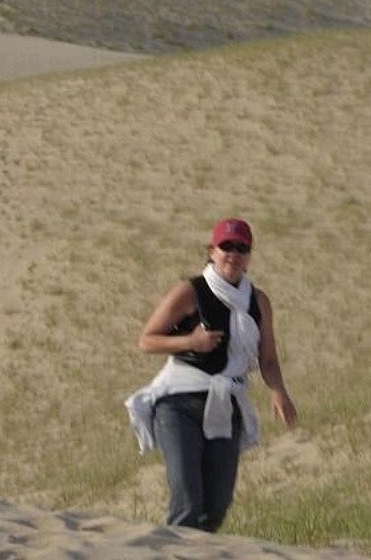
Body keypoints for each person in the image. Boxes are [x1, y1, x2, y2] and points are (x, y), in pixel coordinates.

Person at [125, 217, 297, 533]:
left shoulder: (258, 302)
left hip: (225, 404)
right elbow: (147, 340)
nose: (234, 254)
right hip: (178, 403)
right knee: (188, 500)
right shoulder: (190, 292)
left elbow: (268, 359)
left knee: (218, 503)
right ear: (212, 251)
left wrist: (278, 391)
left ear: (250, 254)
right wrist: (190, 342)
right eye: (227, 246)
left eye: (242, 248)